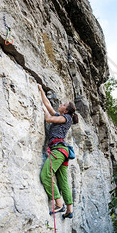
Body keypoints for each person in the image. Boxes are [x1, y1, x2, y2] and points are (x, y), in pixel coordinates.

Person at [38, 84, 78, 219]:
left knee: (46, 175)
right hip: (63, 151)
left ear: (66, 110)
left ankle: (59, 204)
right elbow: (48, 105)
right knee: (63, 181)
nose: (61, 104)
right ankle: (69, 210)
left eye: (64, 104)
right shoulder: (61, 117)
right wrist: (41, 90)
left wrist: (43, 110)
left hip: (59, 150)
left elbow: (48, 118)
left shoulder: (67, 118)